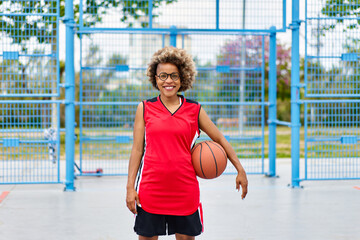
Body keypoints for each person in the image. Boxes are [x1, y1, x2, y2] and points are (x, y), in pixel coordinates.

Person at [126, 46, 248, 240]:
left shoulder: (194, 109)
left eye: (174, 76)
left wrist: (240, 169)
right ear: (155, 79)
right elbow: (137, 150)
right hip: (151, 189)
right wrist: (130, 188)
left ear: (183, 78)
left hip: (184, 190)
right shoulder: (145, 108)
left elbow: (219, 139)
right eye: (163, 76)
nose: (168, 81)